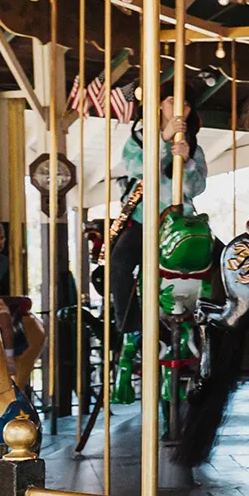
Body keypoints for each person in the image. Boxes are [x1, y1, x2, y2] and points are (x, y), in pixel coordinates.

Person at [107, 98, 208, 339]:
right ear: (160, 106)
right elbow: (134, 168)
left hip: (180, 221)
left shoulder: (193, 147)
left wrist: (187, 162)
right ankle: (129, 327)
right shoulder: (140, 140)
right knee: (119, 263)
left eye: (185, 103)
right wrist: (164, 139)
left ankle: (209, 320)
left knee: (220, 259)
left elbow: (197, 188)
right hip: (145, 220)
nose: (179, 107)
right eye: (172, 100)